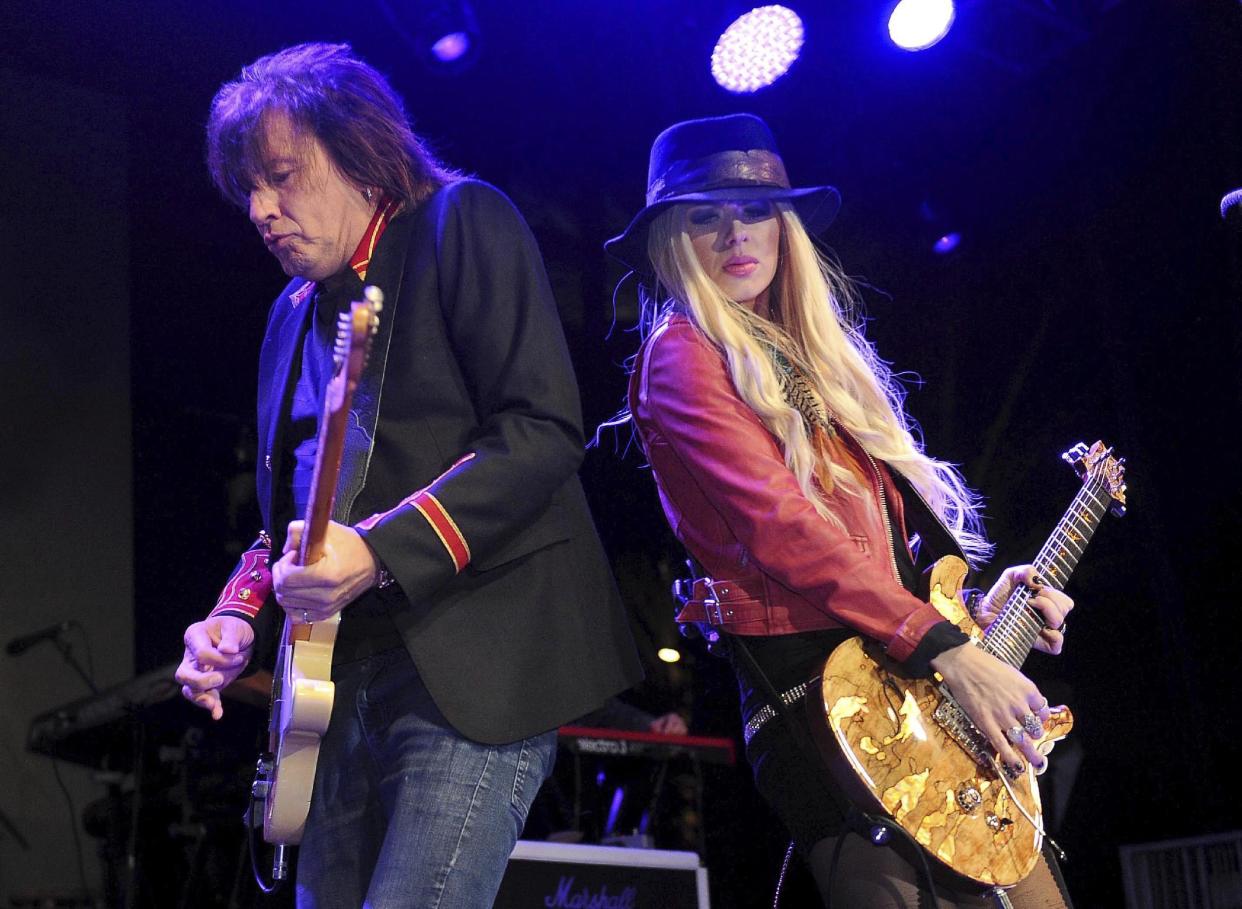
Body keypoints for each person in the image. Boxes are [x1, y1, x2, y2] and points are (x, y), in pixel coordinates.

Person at [173, 43, 642, 908]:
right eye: (248, 189)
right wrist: (237, 614)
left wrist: (378, 551)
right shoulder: (290, 315)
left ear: (360, 153)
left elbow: (540, 431)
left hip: (474, 669)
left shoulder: (461, 220)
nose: (260, 210)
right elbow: (290, 526)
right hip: (336, 686)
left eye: (281, 176)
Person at [604, 113, 1076, 907]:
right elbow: (784, 531)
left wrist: (971, 616)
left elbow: (882, 556)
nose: (735, 234)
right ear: (672, 240)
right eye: (705, 216)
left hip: (905, 670)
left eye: (755, 211)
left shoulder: (817, 361)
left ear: (786, 227)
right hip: (811, 690)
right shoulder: (681, 354)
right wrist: (950, 652)